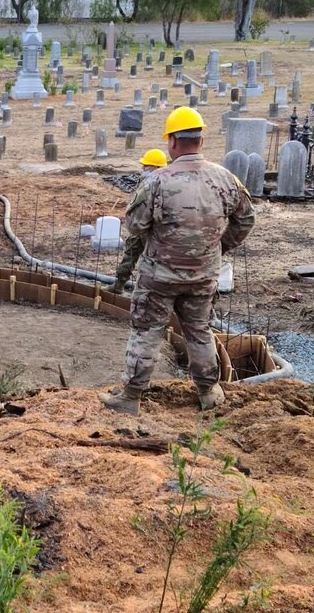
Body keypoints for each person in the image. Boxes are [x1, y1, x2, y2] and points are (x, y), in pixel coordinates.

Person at [100, 107, 255, 416]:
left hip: (159, 276)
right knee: (199, 331)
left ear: (171, 142)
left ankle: (130, 397)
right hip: (203, 275)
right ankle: (208, 393)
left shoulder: (157, 182)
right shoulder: (226, 180)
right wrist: (217, 247)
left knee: (147, 332)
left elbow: (134, 225)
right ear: (200, 139)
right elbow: (246, 219)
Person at [108, 149, 169, 294]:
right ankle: (119, 284)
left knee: (150, 264)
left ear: (157, 167)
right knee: (130, 253)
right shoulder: (146, 182)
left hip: (154, 231)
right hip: (141, 227)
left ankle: (145, 293)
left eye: (146, 166)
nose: (143, 169)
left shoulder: (164, 184)